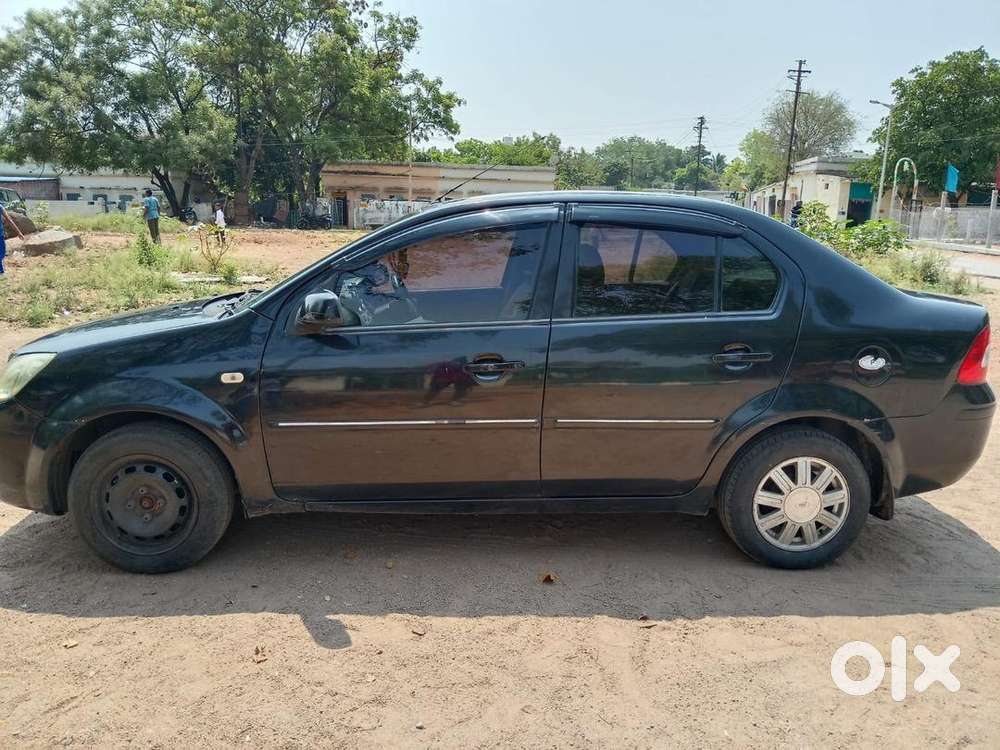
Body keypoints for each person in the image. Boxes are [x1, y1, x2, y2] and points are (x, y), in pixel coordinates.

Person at [0, 200, 27, 276]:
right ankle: (1, 271)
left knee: (2, 253)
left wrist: (18, 232)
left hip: (0, 234)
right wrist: (19, 232)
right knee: (1, 253)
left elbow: (9, 219)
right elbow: (9, 220)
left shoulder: (0, 207)